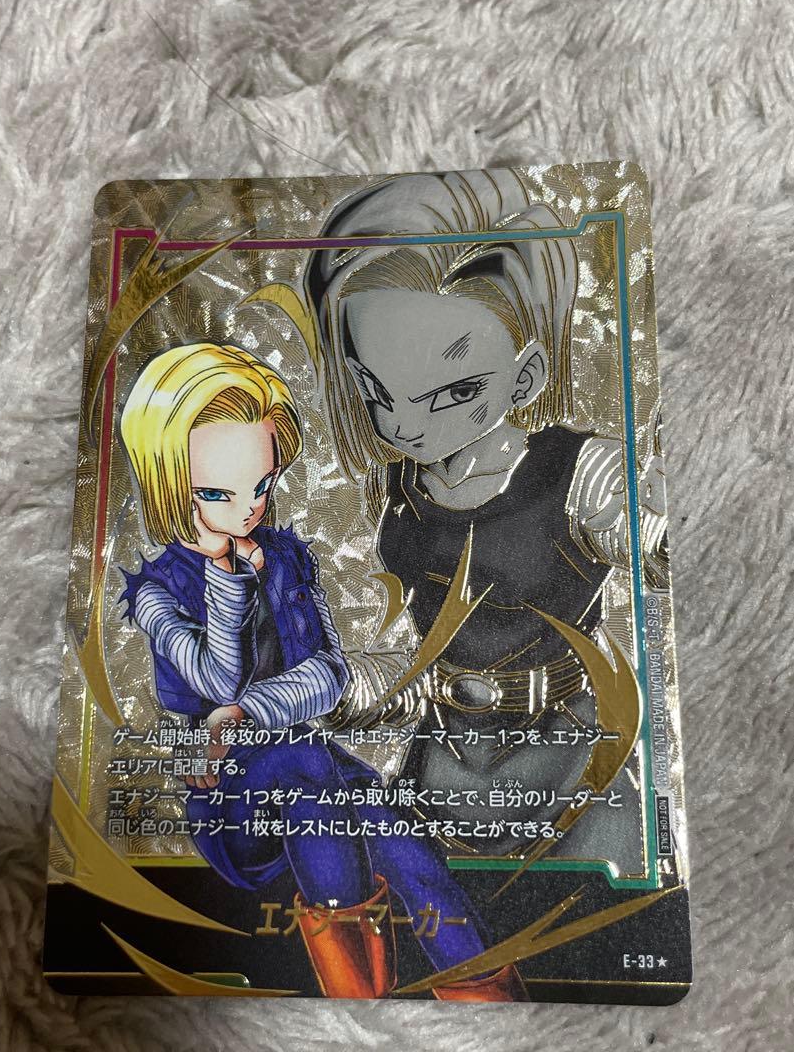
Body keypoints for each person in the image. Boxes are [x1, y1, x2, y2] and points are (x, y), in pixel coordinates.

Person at [261, 169, 667, 864]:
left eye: (452, 392)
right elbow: (417, 646)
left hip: (570, 763)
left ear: (526, 377)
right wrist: (331, 686)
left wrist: (662, 519)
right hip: (441, 764)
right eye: (377, 393)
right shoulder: (393, 484)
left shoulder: (582, 473)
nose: (404, 425)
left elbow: (651, 547)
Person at [117, 340, 524, 999]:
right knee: (307, 771)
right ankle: (356, 1013)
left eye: (261, 486)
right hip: (231, 800)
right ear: (170, 483)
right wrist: (226, 582)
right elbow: (217, 680)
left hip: (313, 772)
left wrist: (249, 711)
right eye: (219, 492)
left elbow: (328, 676)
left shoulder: (284, 558)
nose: (248, 509)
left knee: (406, 849)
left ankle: (493, 1009)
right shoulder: (158, 594)